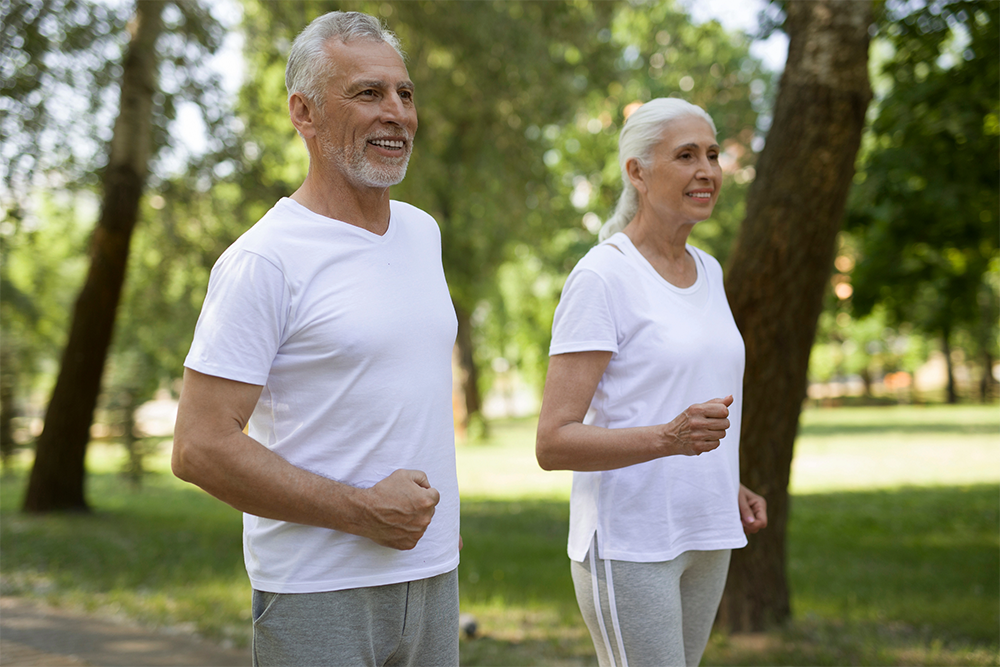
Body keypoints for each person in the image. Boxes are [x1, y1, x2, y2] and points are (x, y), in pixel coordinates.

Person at [171, 11, 460, 666]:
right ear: (305, 112)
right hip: (319, 590)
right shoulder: (264, 259)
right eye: (368, 93)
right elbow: (197, 446)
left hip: (434, 574)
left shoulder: (422, 234)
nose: (396, 112)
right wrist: (363, 511)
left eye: (404, 93)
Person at [535, 98, 768, 667]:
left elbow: (687, 395)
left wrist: (724, 482)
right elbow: (553, 442)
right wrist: (669, 438)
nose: (707, 170)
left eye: (712, 154)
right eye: (685, 155)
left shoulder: (709, 270)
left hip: (707, 528)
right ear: (636, 172)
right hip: (631, 540)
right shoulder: (602, 277)